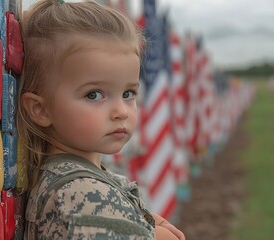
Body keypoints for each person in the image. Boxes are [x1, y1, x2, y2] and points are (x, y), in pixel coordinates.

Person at [17, 0, 185, 239]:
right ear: (40, 110)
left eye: (128, 93)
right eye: (94, 94)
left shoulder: (84, 180)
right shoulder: (80, 194)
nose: (121, 111)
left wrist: (142, 222)